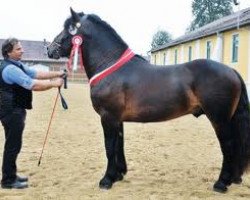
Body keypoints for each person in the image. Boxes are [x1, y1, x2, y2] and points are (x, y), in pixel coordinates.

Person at [0, 38, 65, 189]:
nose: (22, 50)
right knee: (13, 145)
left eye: (21, 48)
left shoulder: (17, 65)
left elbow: (35, 74)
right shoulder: (11, 69)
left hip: (14, 109)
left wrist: (58, 73)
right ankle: (8, 180)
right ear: (9, 52)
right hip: (11, 111)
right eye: (18, 49)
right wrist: (54, 83)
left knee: (14, 145)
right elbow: (33, 84)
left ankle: (11, 175)